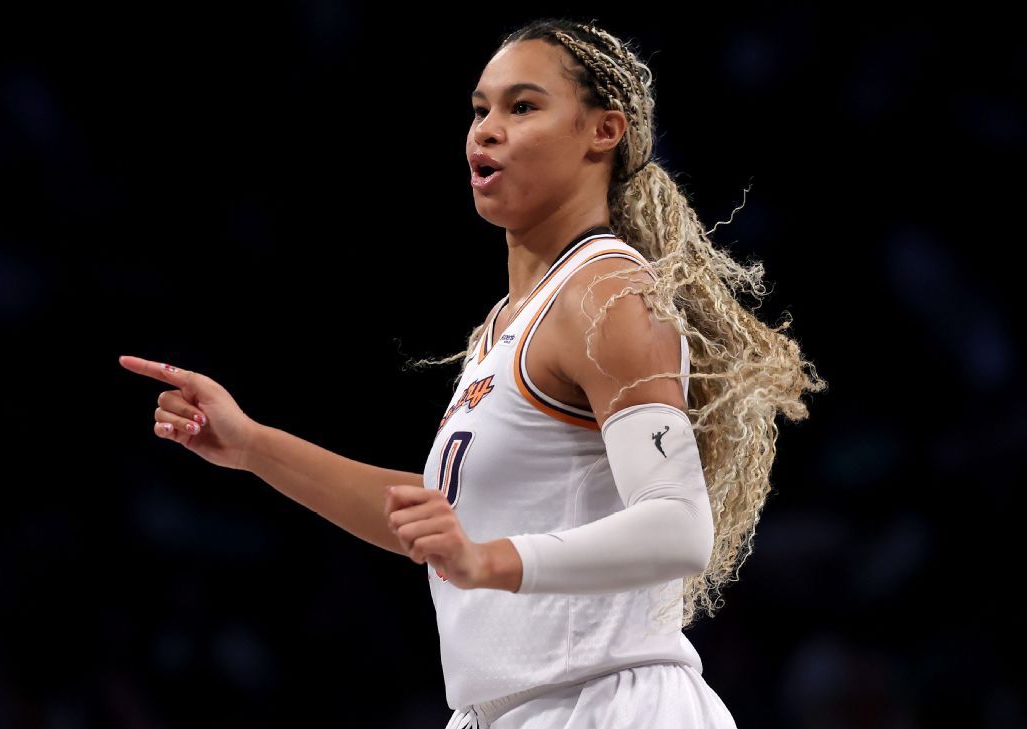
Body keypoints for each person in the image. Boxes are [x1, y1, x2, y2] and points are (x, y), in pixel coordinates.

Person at [120, 17, 825, 729]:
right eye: (480, 109)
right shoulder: (505, 323)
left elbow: (678, 527)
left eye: (522, 106)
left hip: (611, 701)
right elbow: (437, 518)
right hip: (512, 709)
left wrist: (487, 560)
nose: (485, 130)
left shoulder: (605, 292)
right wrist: (251, 445)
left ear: (602, 131)